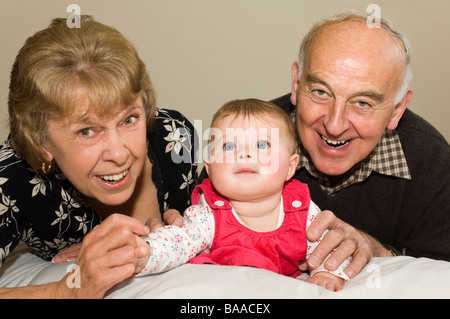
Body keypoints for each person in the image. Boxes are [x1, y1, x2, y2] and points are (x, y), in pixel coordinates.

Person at [0, 15, 197, 298]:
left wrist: (184, 233)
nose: (119, 153)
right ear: (40, 139)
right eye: (87, 131)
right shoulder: (13, 179)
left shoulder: (175, 138)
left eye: (129, 119)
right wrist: (65, 291)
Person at [270, 11, 450, 278]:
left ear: (397, 109)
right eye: (320, 92)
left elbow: (440, 272)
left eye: (363, 102)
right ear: (297, 83)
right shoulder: (244, 138)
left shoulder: (432, 162)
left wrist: (379, 253)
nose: (334, 124)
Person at [138, 99, 351, 291]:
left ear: (290, 166)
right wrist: (144, 252)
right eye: (229, 146)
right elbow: (178, 241)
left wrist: (327, 273)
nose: (245, 153)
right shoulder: (209, 213)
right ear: (210, 170)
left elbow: (328, 247)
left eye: (261, 145)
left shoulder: (301, 209)